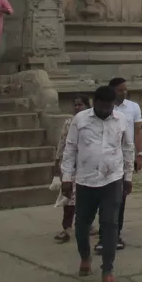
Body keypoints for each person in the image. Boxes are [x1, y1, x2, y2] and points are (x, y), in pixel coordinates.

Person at [61, 85, 134, 282]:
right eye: (102, 106)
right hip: (85, 181)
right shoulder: (81, 119)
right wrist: (67, 177)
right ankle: (85, 257)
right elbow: (70, 149)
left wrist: (128, 177)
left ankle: (108, 270)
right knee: (82, 226)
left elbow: (128, 148)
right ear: (95, 103)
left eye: (109, 106)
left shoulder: (121, 120)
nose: (106, 110)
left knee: (110, 224)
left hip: (112, 180)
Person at [94, 77, 142, 253]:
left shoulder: (133, 108)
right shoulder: (101, 110)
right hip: (101, 160)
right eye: (120, 90)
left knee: (119, 200)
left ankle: (115, 233)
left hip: (122, 159)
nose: (124, 92)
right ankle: (102, 233)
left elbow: (136, 133)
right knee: (101, 199)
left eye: (125, 90)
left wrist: (139, 154)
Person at [54, 94, 91, 244]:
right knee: (69, 198)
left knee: (89, 198)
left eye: (80, 105)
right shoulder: (69, 123)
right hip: (73, 166)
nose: (77, 107)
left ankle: (87, 224)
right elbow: (63, 142)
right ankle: (67, 228)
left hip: (89, 166)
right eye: (75, 105)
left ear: (88, 106)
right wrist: (57, 161)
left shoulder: (94, 122)